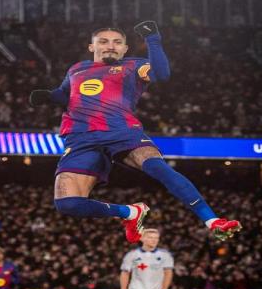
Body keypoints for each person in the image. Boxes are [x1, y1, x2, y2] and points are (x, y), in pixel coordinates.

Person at [30, 21, 241, 243]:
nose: (110, 46)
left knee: (158, 167)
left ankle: (212, 221)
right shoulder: (76, 69)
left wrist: (153, 40)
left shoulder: (133, 65)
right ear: (92, 47)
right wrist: (49, 96)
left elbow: (161, 74)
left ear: (125, 48)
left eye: (117, 42)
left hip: (121, 132)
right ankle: (130, 212)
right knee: (68, 204)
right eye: (104, 41)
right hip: (80, 138)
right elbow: (67, 95)